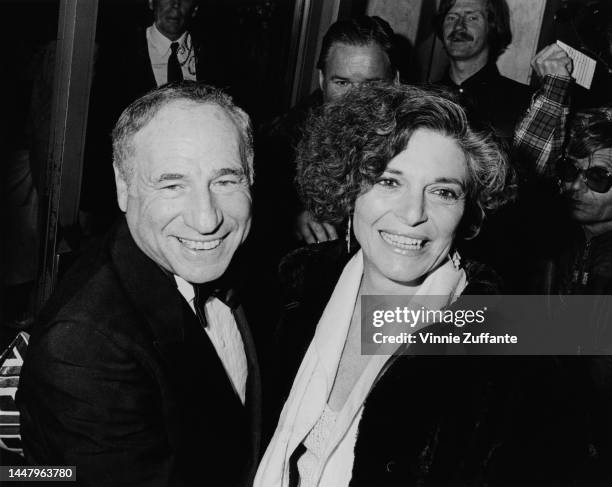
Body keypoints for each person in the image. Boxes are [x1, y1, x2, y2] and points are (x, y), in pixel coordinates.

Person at [254, 83, 556, 487]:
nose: (413, 214)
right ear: (347, 184)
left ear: (469, 210)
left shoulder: (510, 347)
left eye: (444, 192)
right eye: (389, 182)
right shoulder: (291, 289)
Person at [18, 83, 262, 486]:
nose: (207, 220)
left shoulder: (246, 263)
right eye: (172, 184)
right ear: (123, 185)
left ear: (252, 177)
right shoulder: (84, 346)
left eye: (226, 181)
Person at [82, 0, 230, 234]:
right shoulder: (119, 52)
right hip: (133, 196)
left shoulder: (217, 55)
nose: (175, 5)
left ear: (196, 7)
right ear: (151, 2)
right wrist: (91, 204)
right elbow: (100, 129)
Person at [256, 16, 399, 255]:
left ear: (394, 82)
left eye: (371, 85)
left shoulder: (420, 142)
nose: (355, 99)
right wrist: (291, 218)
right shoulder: (278, 142)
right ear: (322, 80)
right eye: (342, 82)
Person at [433, 0, 530, 143]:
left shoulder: (524, 102)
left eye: (472, 17)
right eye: (451, 17)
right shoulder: (422, 98)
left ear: (492, 27)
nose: (458, 26)